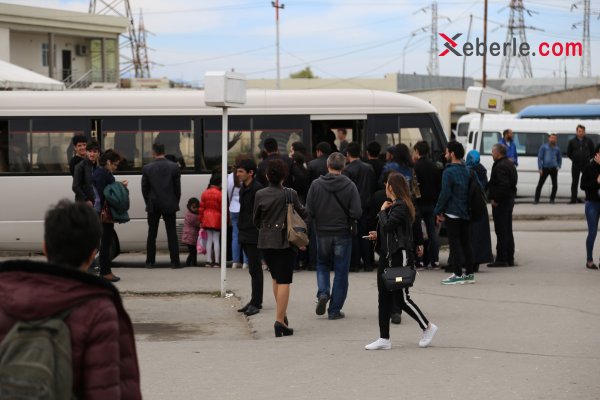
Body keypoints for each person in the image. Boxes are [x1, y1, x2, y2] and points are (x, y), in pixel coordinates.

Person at [0, 200, 141, 399]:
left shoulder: (5, 295)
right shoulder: (99, 309)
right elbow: (106, 390)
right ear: (93, 255)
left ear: (45, 248)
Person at [364, 173, 438, 350]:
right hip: (387, 256)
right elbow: (390, 230)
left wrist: (382, 211)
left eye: (387, 184)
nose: (385, 187)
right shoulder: (396, 205)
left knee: (401, 298)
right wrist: (377, 235)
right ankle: (384, 338)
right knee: (383, 297)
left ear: (392, 187)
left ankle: (427, 327)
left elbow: (389, 225)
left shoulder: (401, 205)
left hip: (399, 257)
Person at [306, 152, 362, 320]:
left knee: (322, 265)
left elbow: (309, 211)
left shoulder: (316, 185)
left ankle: (323, 293)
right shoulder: (350, 185)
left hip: (322, 232)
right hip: (343, 233)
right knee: (341, 272)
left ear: (327, 166)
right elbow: (357, 212)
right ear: (344, 167)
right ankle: (334, 310)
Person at [253, 159, 306, 337]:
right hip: (285, 241)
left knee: (275, 278)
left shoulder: (259, 194)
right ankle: (279, 321)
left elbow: (256, 219)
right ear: (284, 176)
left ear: (267, 175)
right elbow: (302, 213)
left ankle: (281, 316)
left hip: (265, 241)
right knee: (284, 281)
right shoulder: (290, 193)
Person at [435, 141, 474, 284]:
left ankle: (457, 274)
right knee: (466, 243)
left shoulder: (448, 171)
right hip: (466, 211)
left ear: (452, 153)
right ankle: (469, 274)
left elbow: (444, 193)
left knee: (455, 244)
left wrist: (438, 211)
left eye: (446, 152)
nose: (445, 155)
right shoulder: (467, 170)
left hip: (452, 212)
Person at [141, 142, 181, 268]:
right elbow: (177, 189)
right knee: (172, 233)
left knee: (152, 234)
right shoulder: (174, 167)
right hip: (169, 203)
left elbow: (144, 188)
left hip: (153, 204)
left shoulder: (147, 168)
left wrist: (148, 202)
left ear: (153, 152)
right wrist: (175, 201)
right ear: (164, 151)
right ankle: (174, 262)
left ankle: (150, 262)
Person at [93, 149, 127, 282]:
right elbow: (104, 193)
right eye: (114, 164)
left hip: (103, 212)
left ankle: (105, 271)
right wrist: (118, 187)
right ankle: (105, 271)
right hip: (103, 213)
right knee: (105, 243)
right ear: (108, 162)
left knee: (106, 243)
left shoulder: (102, 172)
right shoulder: (102, 174)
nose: (115, 167)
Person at [236, 158, 265, 316]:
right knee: (252, 270)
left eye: (241, 171)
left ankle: (257, 302)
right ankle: (254, 300)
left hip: (254, 233)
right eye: (237, 171)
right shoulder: (243, 188)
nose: (237, 174)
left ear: (251, 173)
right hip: (244, 232)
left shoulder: (257, 190)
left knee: (255, 269)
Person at [343, 141, 376, 272]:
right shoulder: (368, 167)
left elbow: (345, 190)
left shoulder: (347, 169)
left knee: (354, 235)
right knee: (366, 234)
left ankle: (355, 264)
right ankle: (368, 263)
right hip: (367, 205)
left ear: (347, 154)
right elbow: (373, 185)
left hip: (353, 206)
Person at [487, 143, 518, 268]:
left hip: (502, 203)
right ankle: (509, 257)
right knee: (507, 230)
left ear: (498, 153)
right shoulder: (509, 164)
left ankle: (502, 258)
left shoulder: (500, 166)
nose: (492, 154)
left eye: (493, 152)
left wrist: (496, 199)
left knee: (501, 231)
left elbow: (503, 186)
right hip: (509, 201)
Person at [412, 140, 442, 269]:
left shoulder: (415, 167)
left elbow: (414, 187)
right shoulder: (434, 166)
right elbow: (438, 186)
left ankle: (419, 260)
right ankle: (434, 260)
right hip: (431, 204)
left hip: (418, 204)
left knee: (418, 233)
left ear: (417, 151)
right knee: (432, 232)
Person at [465, 150, 493, 272]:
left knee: (470, 236)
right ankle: (477, 261)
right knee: (480, 236)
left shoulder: (468, 172)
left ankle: (469, 262)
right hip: (481, 207)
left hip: (470, 208)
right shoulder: (482, 171)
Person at [579, 144, 600, 270]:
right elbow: (583, 186)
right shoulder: (589, 167)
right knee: (592, 232)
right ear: (596, 154)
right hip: (592, 203)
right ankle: (589, 260)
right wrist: (596, 182)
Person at [229, 154, 250, 269]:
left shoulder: (230, 177)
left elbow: (228, 193)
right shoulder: (246, 175)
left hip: (233, 208)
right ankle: (246, 262)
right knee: (246, 235)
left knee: (235, 236)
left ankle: (235, 261)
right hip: (244, 208)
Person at [199, 173, 222, 268]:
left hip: (206, 218)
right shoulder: (220, 194)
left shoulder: (205, 193)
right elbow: (222, 208)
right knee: (216, 239)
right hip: (217, 218)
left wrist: (201, 219)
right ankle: (216, 261)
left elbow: (201, 208)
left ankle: (208, 260)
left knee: (209, 239)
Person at [567, 124, 594, 204]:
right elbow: (569, 153)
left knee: (587, 181)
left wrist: (587, 159)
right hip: (576, 165)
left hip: (586, 165)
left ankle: (589, 198)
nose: (581, 133)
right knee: (574, 182)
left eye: (582, 131)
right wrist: (575, 159)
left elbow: (592, 152)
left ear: (584, 132)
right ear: (576, 132)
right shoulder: (572, 141)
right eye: (579, 131)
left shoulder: (589, 141)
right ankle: (573, 199)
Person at [534, 133, 562, 204]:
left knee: (555, 185)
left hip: (554, 169)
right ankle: (536, 200)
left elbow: (559, 159)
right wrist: (540, 168)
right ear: (549, 138)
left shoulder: (557, 149)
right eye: (552, 138)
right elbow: (540, 158)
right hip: (545, 168)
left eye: (554, 138)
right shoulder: (544, 147)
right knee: (540, 184)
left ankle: (552, 199)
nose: (553, 139)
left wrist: (559, 166)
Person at [72, 140, 99, 207]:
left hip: (96, 203)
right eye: (90, 151)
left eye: (95, 152)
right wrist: (86, 200)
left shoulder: (99, 166)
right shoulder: (80, 166)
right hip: (83, 204)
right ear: (86, 152)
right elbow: (75, 187)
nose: (92, 154)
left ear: (98, 153)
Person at [182, 197, 200, 266]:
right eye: (194, 207)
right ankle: (193, 263)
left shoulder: (189, 214)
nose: (196, 209)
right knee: (193, 251)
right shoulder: (192, 216)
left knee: (192, 251)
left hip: (189, 237)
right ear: (189, 207)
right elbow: (197, 224)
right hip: (189, 237)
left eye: (197, 207)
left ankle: (189, 263)